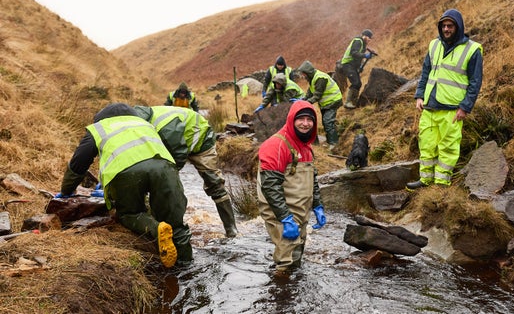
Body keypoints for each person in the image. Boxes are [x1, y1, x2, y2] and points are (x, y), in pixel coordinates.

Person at [57, 103, 192, 268]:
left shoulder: (99, 128)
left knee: (130, 213)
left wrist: (66, 191)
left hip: (125, 171)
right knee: (177, 224)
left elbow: (79, 163)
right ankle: (187, 268)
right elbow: (168, 149)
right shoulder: (145, 124)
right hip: (164, 167)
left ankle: (156, 228)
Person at [406, 9, 483, 190]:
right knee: (426, 144)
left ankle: (441, 183)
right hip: (429, 107)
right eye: (444, 26)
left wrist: (465, 107)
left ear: (458, 27)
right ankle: (425, 180)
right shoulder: (434, 45)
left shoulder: (472, 50)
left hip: (452, 109)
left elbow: (475, 82)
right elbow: (425, 72)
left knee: (448, 147)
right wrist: (419, 95)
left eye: (450, 26)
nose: (446, 29)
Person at [134, 105, 239, 237]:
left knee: (214, 182)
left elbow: (177, 156)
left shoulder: (165, 127)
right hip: (178, 141)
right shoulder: (142, 123)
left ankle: (231, 229)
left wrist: (164, 180)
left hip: (201, 140)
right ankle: (160, 222)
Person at [257, 100, 327, 273]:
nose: (305, 124)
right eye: (300, 119)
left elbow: (313, 178)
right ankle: (281, 293)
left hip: (300, 209)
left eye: (309, 120)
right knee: (285, 260)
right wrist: (285, 218)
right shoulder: (276, 146)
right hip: (280, 210)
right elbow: (270, 187)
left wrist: (317, 204)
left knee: (297, 253)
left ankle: (293, 290)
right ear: (291, 120)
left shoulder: (306, 147)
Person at [296, 60, 343, 151]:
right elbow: (311, 92)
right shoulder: (313, 78)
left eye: (303, 74)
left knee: (328, 122)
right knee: (326, 123)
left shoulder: (320, 78)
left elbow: (317, 95)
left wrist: (306, 103)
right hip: (326, 103)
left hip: (333, 101)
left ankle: (334, 144)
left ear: (307, 72)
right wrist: (302, 100)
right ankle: (330, 141)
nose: (302, 76)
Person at [338, 29, 376, 109]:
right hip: (347, 64)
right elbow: (354, 53)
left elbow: (358, 58)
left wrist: (360, 67)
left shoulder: (363, 45)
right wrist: (365, 56)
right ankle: (348, 102)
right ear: (364, 36)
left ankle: (354, 102)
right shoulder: (358, 41)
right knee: (355, 82)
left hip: (352, 65)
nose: (369, 40)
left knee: (358, 83)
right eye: (369, 37)